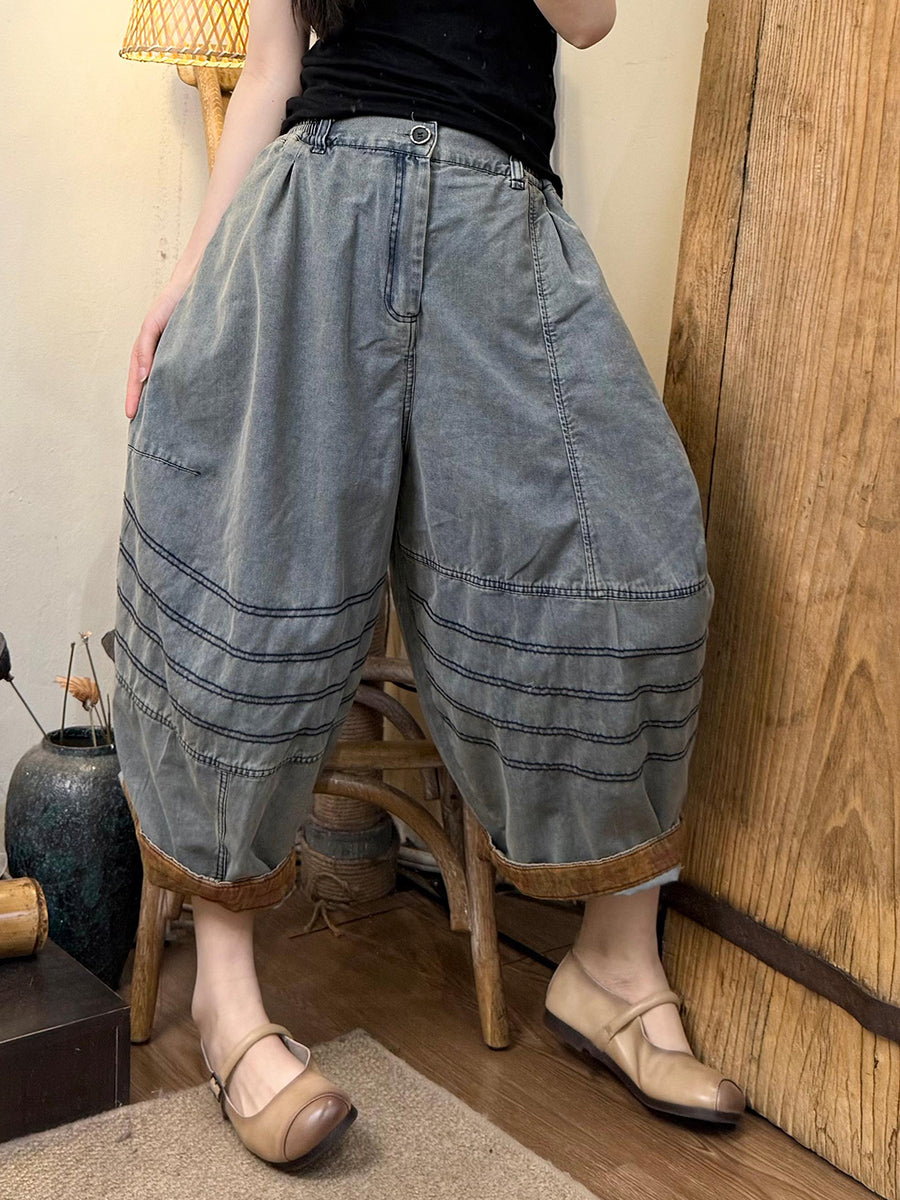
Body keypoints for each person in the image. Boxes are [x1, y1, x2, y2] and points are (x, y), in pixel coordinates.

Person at [113, 0, 746, 1171]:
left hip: (498, 224)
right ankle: (229, 1004)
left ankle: (612, 968)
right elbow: (270, 74)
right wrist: (190, 276)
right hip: (318, 212)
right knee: (250, 583)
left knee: (633, 570)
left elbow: (591, 20)